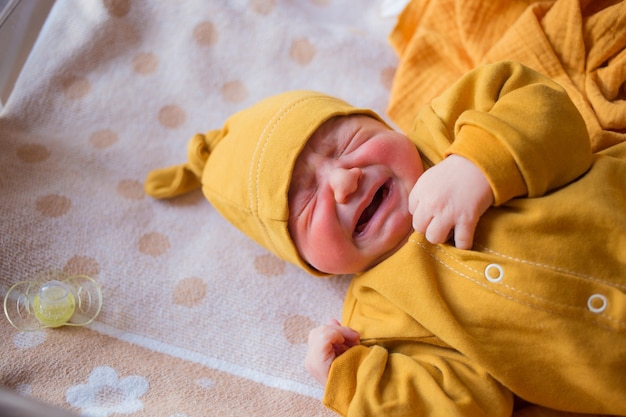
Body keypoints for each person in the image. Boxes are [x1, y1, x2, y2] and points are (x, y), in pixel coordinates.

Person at [145, 61, 626, 416]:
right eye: (305, 200)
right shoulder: (377, 317)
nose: (343, 181)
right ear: (307, 260)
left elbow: (540, 102)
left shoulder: (447, 135)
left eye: (348, 143)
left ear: (384, 124)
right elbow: (465, 403)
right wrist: (354, 381)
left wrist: (479, 164)